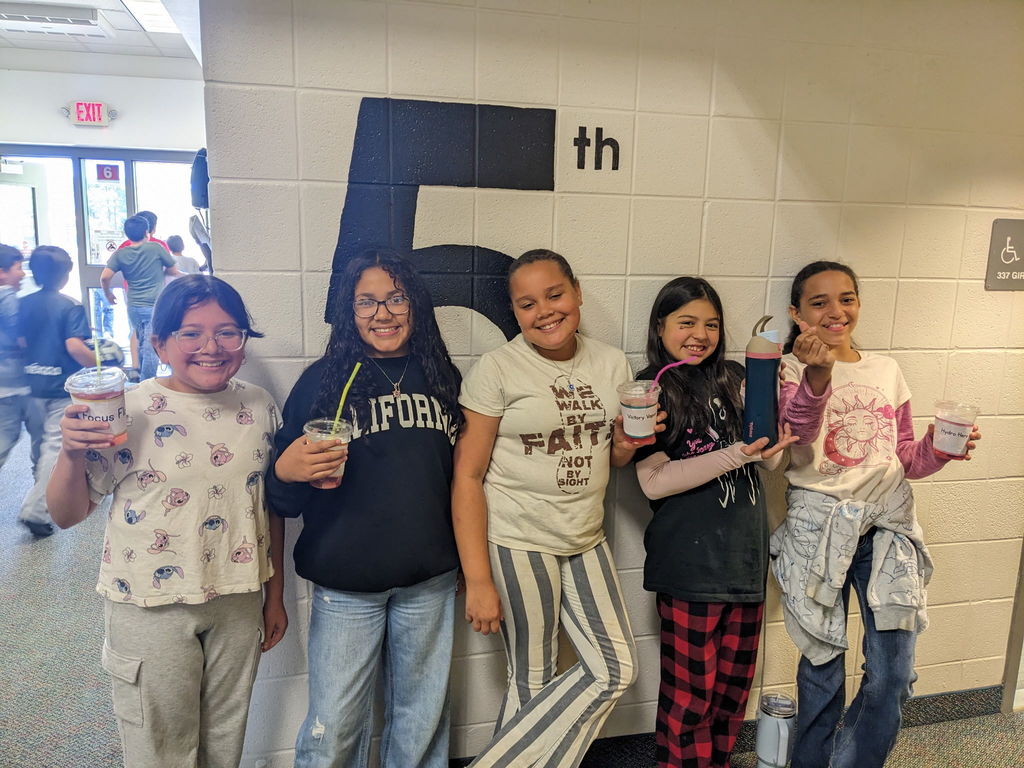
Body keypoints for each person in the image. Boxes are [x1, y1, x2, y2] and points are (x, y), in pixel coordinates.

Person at [46, 274, 287, 768]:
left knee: (224, 740)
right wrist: (70, 453)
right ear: (159, 341)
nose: (211, 347)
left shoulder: (260, 406)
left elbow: (269, 506)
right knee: (162, 749)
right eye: (190, 333)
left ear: (243, 339)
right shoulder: (125, 411)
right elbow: (66, 515)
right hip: (149, 606)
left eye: (228, 332)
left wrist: (274, 595)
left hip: (238, 599)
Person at [773, 260, 980, 768]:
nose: (835, 311)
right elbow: (796, 439)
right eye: (818, 302)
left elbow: (904, 456)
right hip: (818, 526)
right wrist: (818, 374)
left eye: (846, 298)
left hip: (886, 528)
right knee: (822, 669)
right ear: (796, 314)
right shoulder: (788, 369)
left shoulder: (887, 369)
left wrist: (939, 447)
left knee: (894, 676)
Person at [268, 248, 464, 768]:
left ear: (415, 305)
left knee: (423, 720)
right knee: (334, 729)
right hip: (345, 586)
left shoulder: (443, 377)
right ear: (349, 313)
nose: (383, 313)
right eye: (367, 302)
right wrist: (289, 471)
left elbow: (466, 479)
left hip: (432, 580)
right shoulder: (322, 382)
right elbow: (280, 497)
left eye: (396, 298)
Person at [453, 249, 648, 768]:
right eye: (526, 303)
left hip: (585, 537)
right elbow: (467, 477)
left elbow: (615, 457)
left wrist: (628, 443)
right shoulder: (496, 369)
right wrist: (477, 579)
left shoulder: (610, 362)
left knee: (615, 668)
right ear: (515, 312)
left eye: (554, 295)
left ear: (577, 291)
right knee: (533, 676)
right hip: (518, 538)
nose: (544, 311)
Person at [633, 277, 797, 768]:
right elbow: (653, 481)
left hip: (744, 565)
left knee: (730, 698)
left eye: (711, 323)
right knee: (690, 702)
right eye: (686, 322)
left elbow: (769, 463)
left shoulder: (735, 375)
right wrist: (734, 455)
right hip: (688, 569)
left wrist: (774, 442)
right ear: (660, 326)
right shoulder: (649, 389)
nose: (700, 334)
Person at [17, 246, 94, 538]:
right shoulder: (70, 306)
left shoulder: (23, 304)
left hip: (30, 386)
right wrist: (102, 364)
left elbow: (22, 342)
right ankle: (36, 509)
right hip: (59, 387)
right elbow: (74, 347)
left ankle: (43, 492)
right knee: (56, 448)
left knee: (39, 446)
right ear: (66, 275)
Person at [102, 215, 180, 381]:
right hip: (154, 305)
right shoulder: (156, 248)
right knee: (151, 345)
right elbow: (173, 270)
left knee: (141, 341)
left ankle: (141, 379)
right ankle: (147, 383)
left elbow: (104, 277)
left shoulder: (120, 254)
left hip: (133, 306)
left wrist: (108, 294)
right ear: (147, 232)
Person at [0, 243, 30, 474]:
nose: (23, 273)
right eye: (18, 268)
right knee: (6, 435)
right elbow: (21, 337)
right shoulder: (7, 297)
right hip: (8, 384)